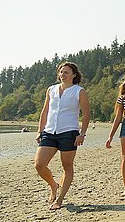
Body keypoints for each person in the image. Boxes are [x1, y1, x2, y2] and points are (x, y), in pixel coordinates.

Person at [35, 62, 90, 210]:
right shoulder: (51, 90)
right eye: (61, 72)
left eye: (66, 72)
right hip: (49, 132)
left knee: (67, 166)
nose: (62, 75)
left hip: (69, 133)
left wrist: (82, 134)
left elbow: (86, 115)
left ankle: (59, 199)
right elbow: (45, 111)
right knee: (39, 164)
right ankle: (53, 185)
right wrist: (40, 131)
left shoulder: (79, 91)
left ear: (73, 74)